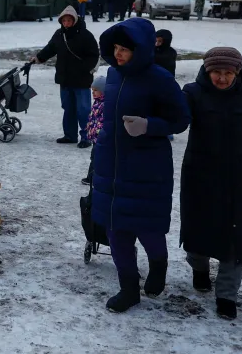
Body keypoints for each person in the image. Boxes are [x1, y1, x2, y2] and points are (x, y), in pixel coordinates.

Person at [91, 18, 191, 313]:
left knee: (148, 229)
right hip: (112, 163)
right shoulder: (112, 74)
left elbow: (180, 120)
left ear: (142, 49)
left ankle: (158, 264)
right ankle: (129, 288)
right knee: (115, 231)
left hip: (147, 167)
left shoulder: (160, 79)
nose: (119, 54)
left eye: (125, 49)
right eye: (116, 48)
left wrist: (149, 125)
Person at [180, 47, 242, 321]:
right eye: (216, 72)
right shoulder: (193, 93)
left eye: (228, 73)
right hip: (201, 175)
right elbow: (175, 120)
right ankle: (199, 268)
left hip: (240, 177)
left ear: (237, 72)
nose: (222, 78)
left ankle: (226, 295)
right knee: (198, 233)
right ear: (207, 71)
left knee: (236, 237)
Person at [31, 6, 100, 148]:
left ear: (74, 20)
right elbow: (50, 49)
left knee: (83, 109)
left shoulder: (85, 35)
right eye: (64, 21)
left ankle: (86, 137)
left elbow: (94, 55)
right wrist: (37, 58)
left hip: (81, 79)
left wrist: (85, 69)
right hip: (65, 78)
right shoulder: (59, 34)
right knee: (68, 107)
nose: (66, 23)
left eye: (69, 20)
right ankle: (70, 135)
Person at [81, 75, 106, 186]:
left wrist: (98, 131)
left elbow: (103, 120)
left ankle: (92, 178)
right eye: (92, 90)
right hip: (95, 136)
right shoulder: (96, 103)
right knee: (94, 157)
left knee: (97, 158)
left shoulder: (104, 105)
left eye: (96, 90)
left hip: (100, 137)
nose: (93, 93)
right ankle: (91, 177)